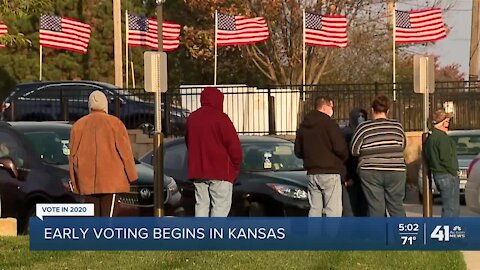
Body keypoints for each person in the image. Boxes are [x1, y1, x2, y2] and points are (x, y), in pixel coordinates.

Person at [69, 90, 138, 217]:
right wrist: (132, 176)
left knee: (92, 223)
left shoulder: (78, 126)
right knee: (108, 222)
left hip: (86, 182)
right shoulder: (115, 123)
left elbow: (72, 157)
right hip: (111, 182)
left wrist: (75, 182)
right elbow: (125, 153)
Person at [185, 87, 243, 217]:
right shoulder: (221, 118)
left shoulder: (192, 118)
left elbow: (189, 142)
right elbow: (234, 147)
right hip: (221, 171)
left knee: (201, 204)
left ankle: (200, 234)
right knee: (220, 206)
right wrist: (235, 166)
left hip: (198, 171)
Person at [350, 95, 407, 217]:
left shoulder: (363, 128)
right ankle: (403, 234)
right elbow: (402, 146)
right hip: (396, 170)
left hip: (370, 170)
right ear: (388, 111)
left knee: (375, 206)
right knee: (396, 205)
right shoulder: (397, 126)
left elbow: (354, 150)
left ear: (372, 110)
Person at [294, 96, 349, 217]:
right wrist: (343, 158)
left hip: (312, 172)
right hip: (330, 171)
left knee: (314, 208)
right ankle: (330, 236)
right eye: (331, 107)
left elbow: (298, 151)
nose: (332, 110)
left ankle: (314, 235)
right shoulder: (329, 124)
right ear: (325, 107)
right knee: (333, 209)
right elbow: (340, 148)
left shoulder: (304, 125)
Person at [424, 109, 459, 217]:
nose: (448, 124)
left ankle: (447, 230)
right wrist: (454, 172)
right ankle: (448, 231)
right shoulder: (442, 138)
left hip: (438, 175)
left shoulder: (431, 138)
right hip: (447, 175)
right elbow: (445, 158)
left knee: (448, 207)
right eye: (447, 121)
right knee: (452, 209)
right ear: (442, 122)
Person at [342, 108, 369, 217]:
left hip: (354, 177)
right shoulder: (367, 132)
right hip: (361, 176)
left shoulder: (345, 133)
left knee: (351, 210)